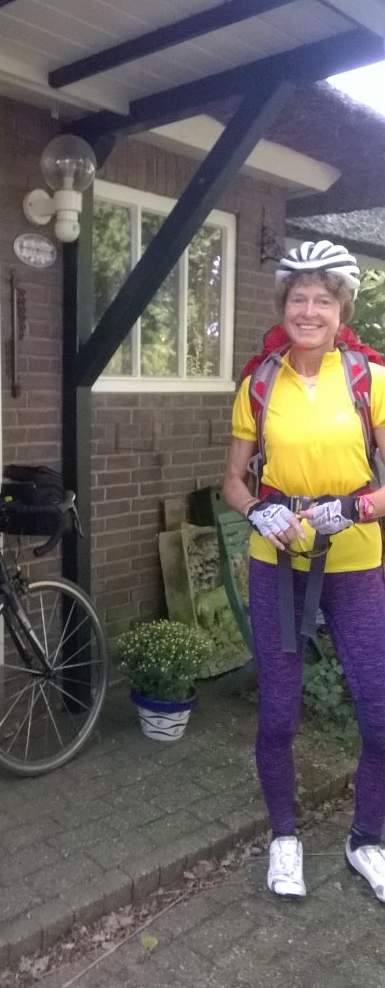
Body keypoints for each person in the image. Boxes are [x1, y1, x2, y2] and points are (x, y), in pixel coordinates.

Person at [222, 239, 385, 902]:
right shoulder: (259, 383)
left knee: (380, 715)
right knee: (277, 716)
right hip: (277, 564)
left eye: (322, 300)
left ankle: (366, 839)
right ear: (283, 306)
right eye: (298, 298)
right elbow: (232, 481)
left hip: (354, 562)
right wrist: (257, 511)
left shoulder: (370, 380)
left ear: (340, 310)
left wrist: (355, 507)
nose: (309, 311)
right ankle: (284, 837)